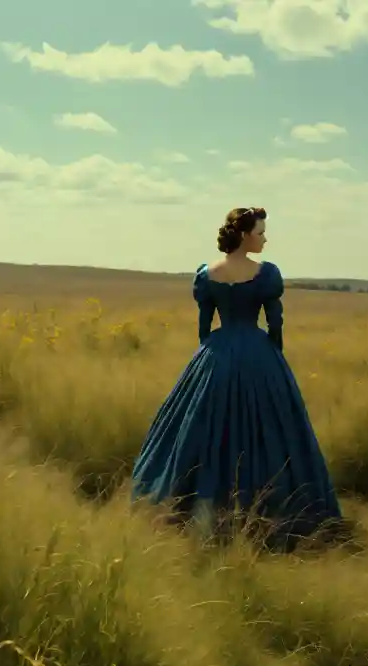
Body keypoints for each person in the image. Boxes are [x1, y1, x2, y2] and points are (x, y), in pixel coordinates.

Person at [131, 206, 343, 547]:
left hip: (215, 354)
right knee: (272, 429)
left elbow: (204, 327)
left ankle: (194, 510)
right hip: (258, 353)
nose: (264, 239)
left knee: (202, 428)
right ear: (244, 235)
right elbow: (275, 324)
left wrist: (208, 360)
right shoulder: (266, 274)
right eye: (260, 233)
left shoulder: (207, 274)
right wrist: (273, 359)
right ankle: (270, 512)